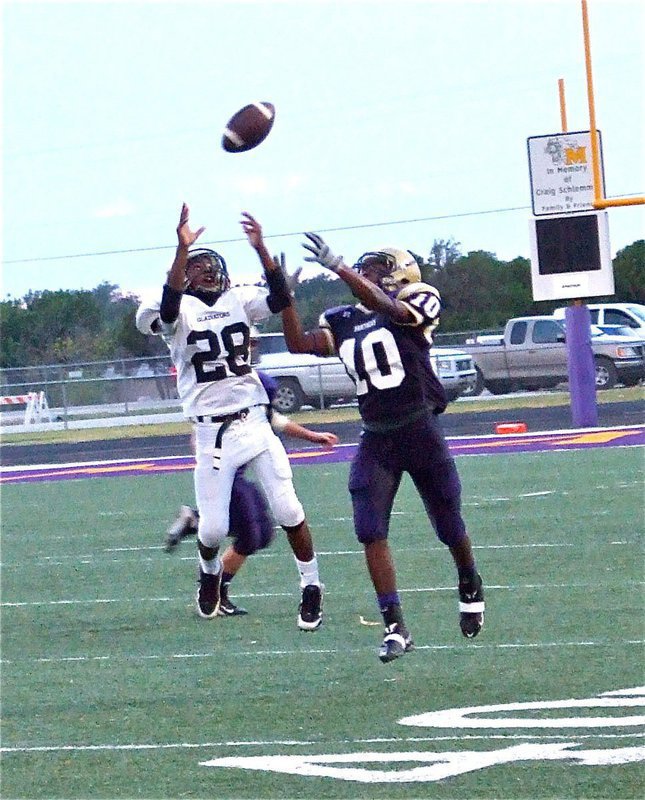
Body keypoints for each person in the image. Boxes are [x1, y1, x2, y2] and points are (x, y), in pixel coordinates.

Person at [272, 228, 485, 662]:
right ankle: (395, 627)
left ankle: (469, 580)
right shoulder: (344, 318)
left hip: (419, 427)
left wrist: (339, 267)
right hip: (377, 436)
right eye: (364, 267)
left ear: (402, 272)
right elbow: (298, 344)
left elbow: (390, 308)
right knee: (369, 529)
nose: (368, 273)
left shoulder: (420, 297)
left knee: (449, 526)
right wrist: (283, 295)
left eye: (377, 267)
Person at [135, 204, 325, 630]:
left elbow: (279, 298)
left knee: (288, 508)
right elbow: (165, 312)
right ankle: (209, 573)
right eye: (196, 267)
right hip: (210, 433)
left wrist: (262, 251)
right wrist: (181, 248)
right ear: (183, 274)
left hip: (254, 421)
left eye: (209, 265)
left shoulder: (239, 298)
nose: (206, 271)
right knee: (214, 529)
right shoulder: (174, 307)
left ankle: (311, 585)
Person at [165, 369, 339, 617]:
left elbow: (276, 421)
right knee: (248, 534)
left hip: (238, 475)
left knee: (263, 533)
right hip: (229, 478)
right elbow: (204, 432)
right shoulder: (232, 391)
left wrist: (314, 437)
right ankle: (216, 581)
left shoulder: (251, 397)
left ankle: (196, 524)